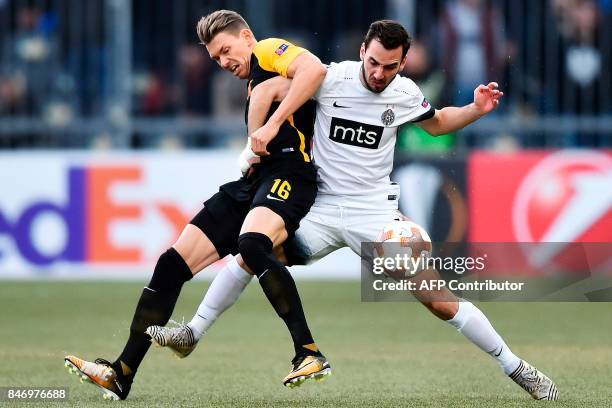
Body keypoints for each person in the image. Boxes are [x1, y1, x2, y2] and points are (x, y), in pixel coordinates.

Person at [150, 20, 559, 401]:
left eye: (390, 67)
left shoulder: (404, 93)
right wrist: (261, 131)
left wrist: (475, 110)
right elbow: (272, 87)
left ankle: (517, 367)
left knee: (438, 300)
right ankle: (192, 332)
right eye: (374, 62)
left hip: (373, 213)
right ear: (362, 51)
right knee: (250, 252)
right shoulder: (331, 78)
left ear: (403, 63)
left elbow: (436, 124)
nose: (379, 74)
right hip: (319, 208)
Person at [63, 10, 330, 400]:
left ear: (247, 36)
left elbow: (315, 71)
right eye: (215, 58)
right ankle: (121, 373)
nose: (223, 62)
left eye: (225, 50)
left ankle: (308, 352)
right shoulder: (257, 80)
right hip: (255, 181)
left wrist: (271, 125)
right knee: (171, 265)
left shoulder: (269, 50)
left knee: (253, 245)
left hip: (292, 174)